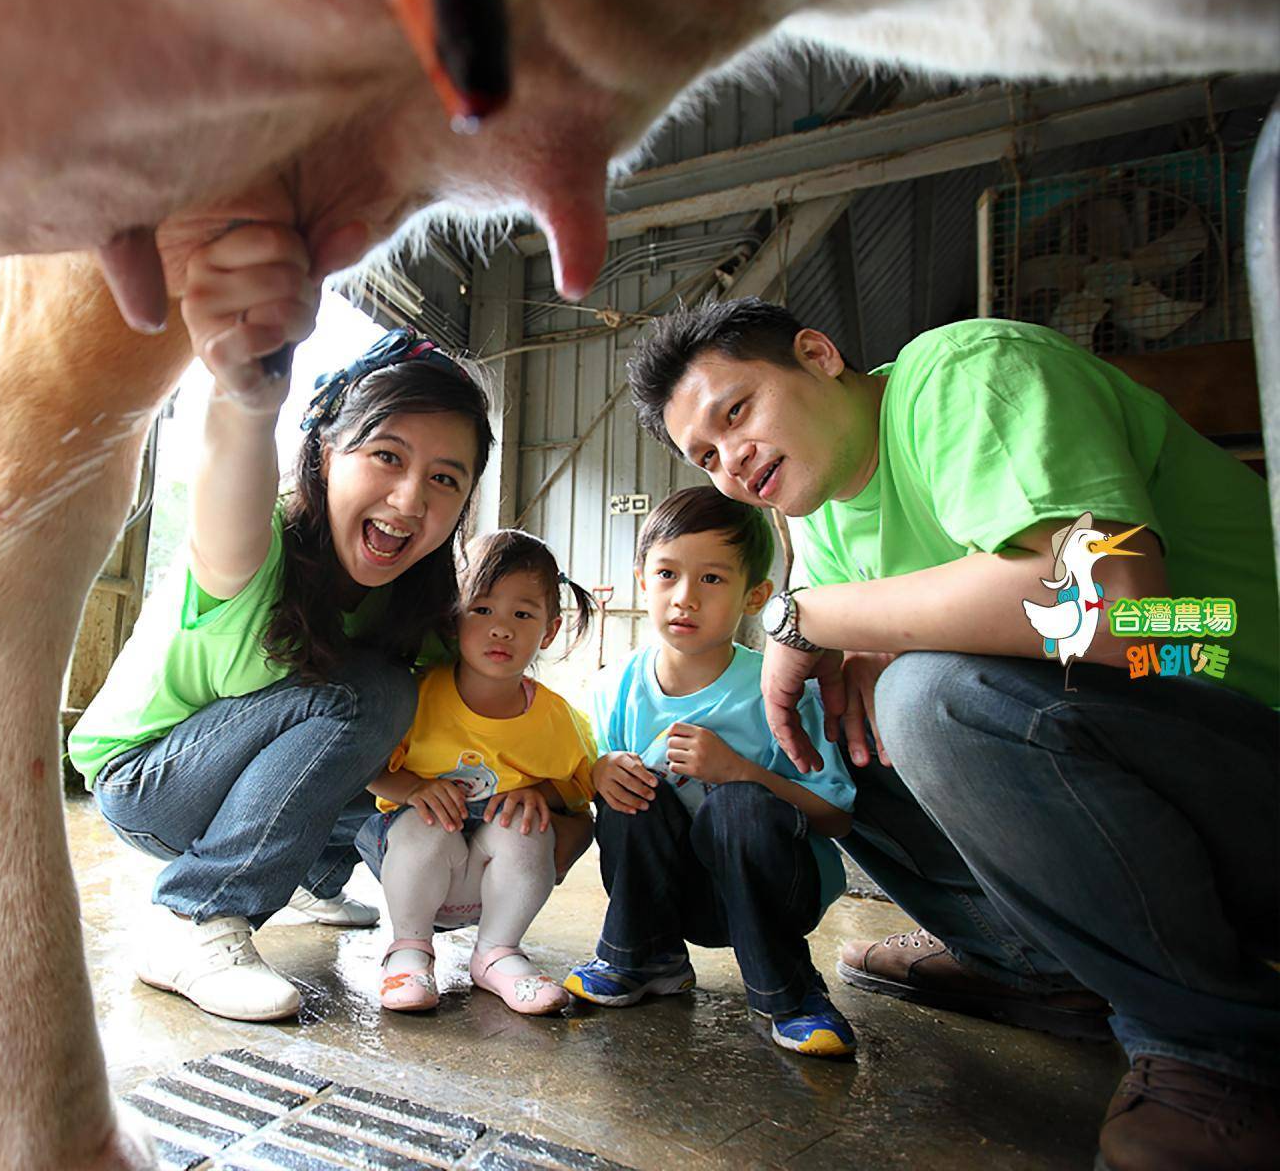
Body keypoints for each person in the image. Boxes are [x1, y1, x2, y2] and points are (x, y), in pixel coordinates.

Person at [627, 299, 1279, 1164]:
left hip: (1231, 708)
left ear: (818, 355)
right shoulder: (818, 521)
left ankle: (1215, 1047)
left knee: (927, 696)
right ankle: (1029, 958)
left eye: (737, 412)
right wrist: (833, 639)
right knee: (835, 714)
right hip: (1144, 779)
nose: (732, 463)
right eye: (705, 456)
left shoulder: (970, 372)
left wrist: (808, 614)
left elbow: (1124, 611)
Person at [68, 225, 496, 1022]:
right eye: (387, 457)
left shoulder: (418, 606)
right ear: (326, 452)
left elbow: (461, 729)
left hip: (251, 782)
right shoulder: (253, 547)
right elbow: (229, 479)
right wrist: (246, 394)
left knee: (406, 723)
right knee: (363, 695)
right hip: (152, 781)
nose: (411, 501)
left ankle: (313, 877)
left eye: (445, 478)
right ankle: (195, 918)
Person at [563, 487, 859, 1056]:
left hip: (771, 894)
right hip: (675, 895)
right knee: (627, 789)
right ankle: (646, 956)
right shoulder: (615, 687)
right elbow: (586, 790)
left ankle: (790, 994)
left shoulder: (780, 689)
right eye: (668, 574)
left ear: (756, 595)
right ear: (643, 580)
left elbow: (837, 818)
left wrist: (740, 771)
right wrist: (598, 773)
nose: (685, 598)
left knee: (739, 804)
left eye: (713, 580)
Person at [358, 529, 598, 1015]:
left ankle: (497, 953)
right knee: (424, 821)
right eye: (483, 610)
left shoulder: (558, 722)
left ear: (549, 631)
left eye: (523, 614)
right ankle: (408, 950)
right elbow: (369, 770)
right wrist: (415, 788)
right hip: (412, 867)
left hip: (496, 884)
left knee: (527, 828)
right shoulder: (417, 696)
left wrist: (543, 800)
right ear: (453, 619)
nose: (501, 629)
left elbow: (582, 814)